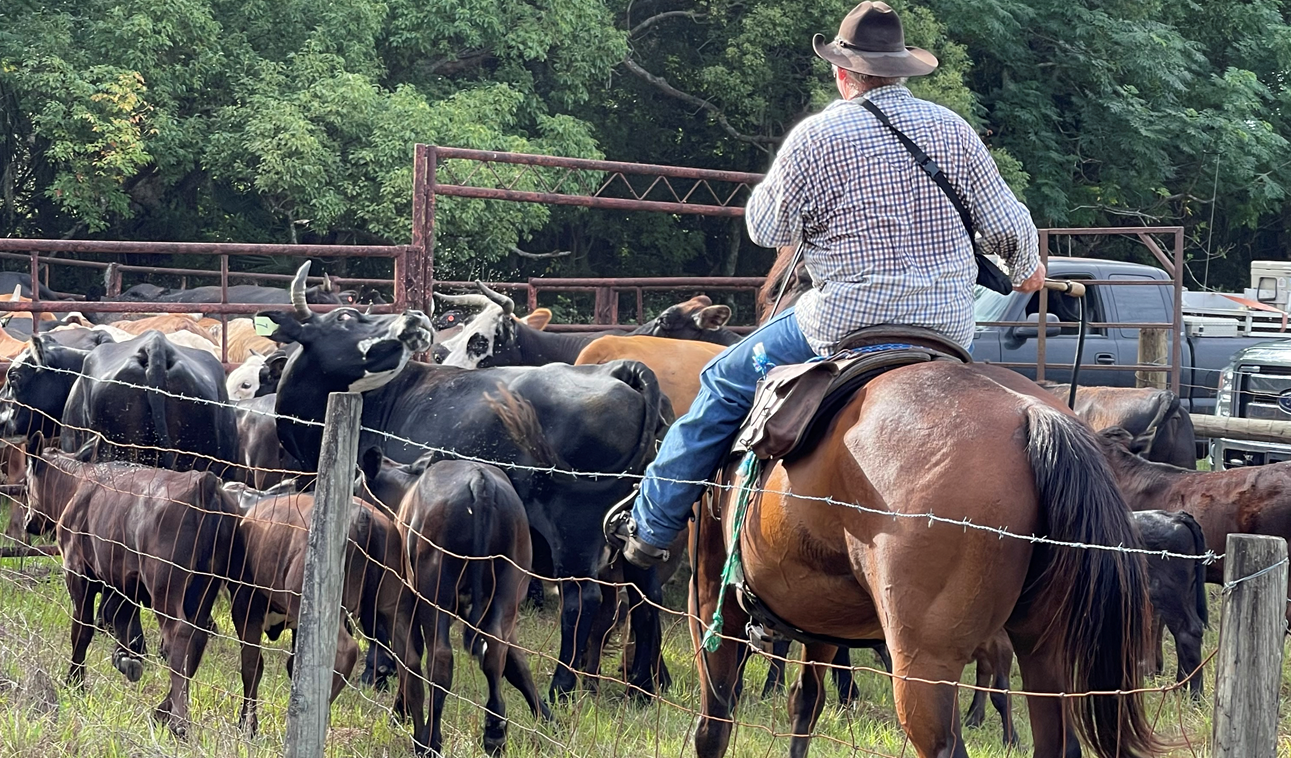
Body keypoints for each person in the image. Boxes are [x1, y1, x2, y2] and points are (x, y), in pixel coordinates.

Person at [605, 0, 1044, 568]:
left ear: (843, 72)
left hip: (842, 323)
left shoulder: (817, 136)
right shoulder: (953, 130)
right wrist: (1027, 267)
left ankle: (653, 526)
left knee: (723, 380)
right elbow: (1011, 227)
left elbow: (765, 228)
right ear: (902, 69)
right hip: (946, 327)